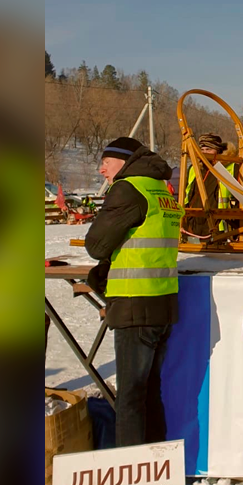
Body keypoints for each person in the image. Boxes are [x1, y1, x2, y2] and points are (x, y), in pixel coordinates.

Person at [84, 137, 182, 447]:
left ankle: (131, 481)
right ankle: (157, 471)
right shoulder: (160, 189)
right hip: (162, 302)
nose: (102, 169)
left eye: (107, 162)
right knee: (150, 391)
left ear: (124, 162)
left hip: (134, 304)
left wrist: (102, 263)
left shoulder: (128, 189)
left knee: (129, 398)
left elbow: (95, 244)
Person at [184, 132, 236, 236]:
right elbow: (187, 194)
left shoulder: (230, 168)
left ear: (217, 151)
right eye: (202, 150)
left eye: (208, 149)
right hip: (193, 222)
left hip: (218, 223)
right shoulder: (194, 168)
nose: (204, 153)